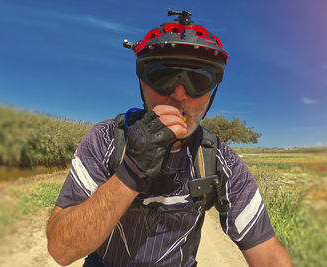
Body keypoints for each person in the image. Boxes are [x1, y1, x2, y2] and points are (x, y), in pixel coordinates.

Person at [47, 9, 292, 267]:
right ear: (142, 83)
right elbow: (61, 250)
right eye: (162, 76)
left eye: (198, 79)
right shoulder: (106, 139)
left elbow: (269, 255)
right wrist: (130, 172)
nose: (178, 94)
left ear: (212, 93)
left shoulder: (219, 160)